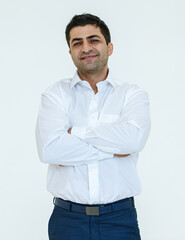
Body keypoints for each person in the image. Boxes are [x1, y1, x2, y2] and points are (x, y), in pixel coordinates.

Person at [36, 13, 151, 240]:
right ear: (70, 53)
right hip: (67, 220)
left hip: (119, 219)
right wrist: (115, 148)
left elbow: (133, 140)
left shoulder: (132, 94)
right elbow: (50, 150)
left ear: (109, 47)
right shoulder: (55, 95)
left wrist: (75, 133)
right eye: (77, 43)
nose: (86, 47)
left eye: (93, 40)